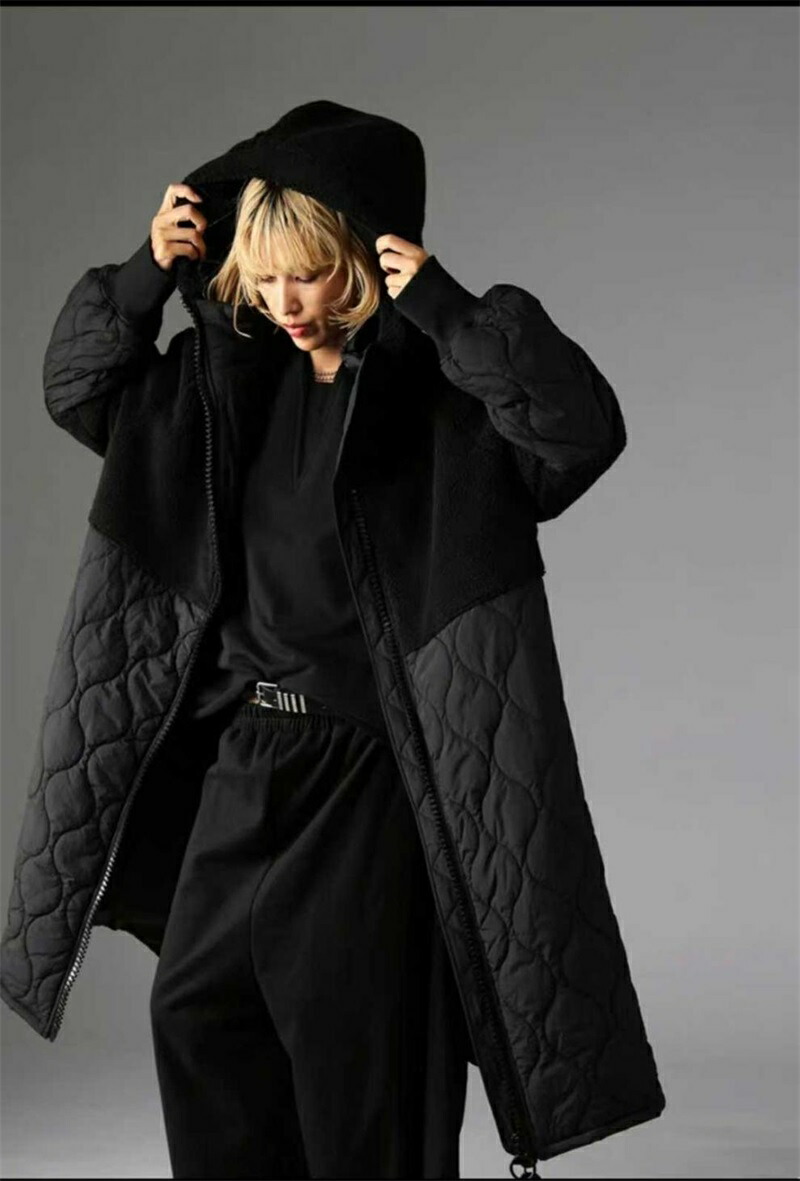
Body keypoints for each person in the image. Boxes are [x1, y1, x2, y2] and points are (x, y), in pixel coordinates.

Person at [1, 100, 667, 1181]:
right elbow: (75, 387)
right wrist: (141, 276)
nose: (285, 303)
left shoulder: (442, 405)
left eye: (306, 275)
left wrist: (449, 310)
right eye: (264, 280)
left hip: (370, 761)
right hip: (246, 751)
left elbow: (577, 433)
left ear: (362, 258)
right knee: (198, 1011)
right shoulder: (215, 391)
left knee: (357, 1045)